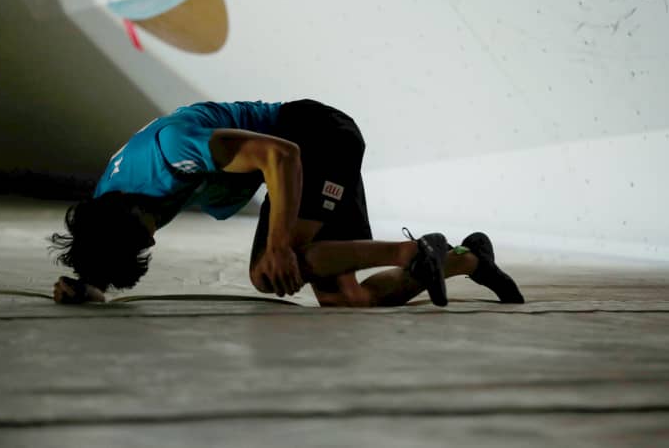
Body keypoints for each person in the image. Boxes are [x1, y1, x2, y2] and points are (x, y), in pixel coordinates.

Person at [50, 99, 523, 307]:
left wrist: (278, 245)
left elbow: (283, 155)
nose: (153, 238)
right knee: (349, 301)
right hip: (297, 166)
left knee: (272, 267)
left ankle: (414, 250)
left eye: (145, 234)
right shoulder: (109, 206)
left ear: (130, 210)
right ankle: (470, 258)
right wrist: (89, 287)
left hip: (318, 137)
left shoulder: (173, 151)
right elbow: (106, 242)